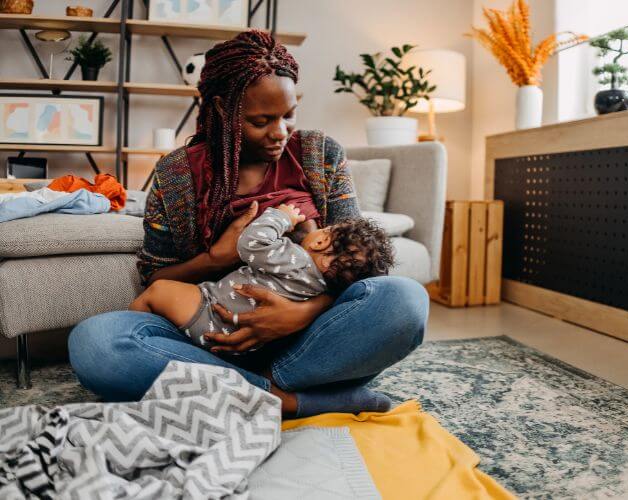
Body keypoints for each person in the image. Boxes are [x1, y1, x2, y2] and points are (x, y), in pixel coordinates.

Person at [68, 30, 428, 417]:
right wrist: (216, 258)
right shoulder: (178, 173)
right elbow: (155, 279)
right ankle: (286, 400)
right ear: (223, 109)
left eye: (288, 115)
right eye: (261, 121)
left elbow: (357, 263)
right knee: (97, 342)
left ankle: (239, 390)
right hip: (207, 337)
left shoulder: (319, 154)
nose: (280, 133)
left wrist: (298, 315)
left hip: (305, 341)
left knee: (403, 300)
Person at [128, 202, 394, 352]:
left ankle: (130, 333)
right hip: (243, 341)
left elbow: (251, 243)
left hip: (211, 314)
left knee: (158, 291)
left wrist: (282, 217)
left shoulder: (297, 260)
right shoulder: (318, 286)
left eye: (324, 229)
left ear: (322, 242)